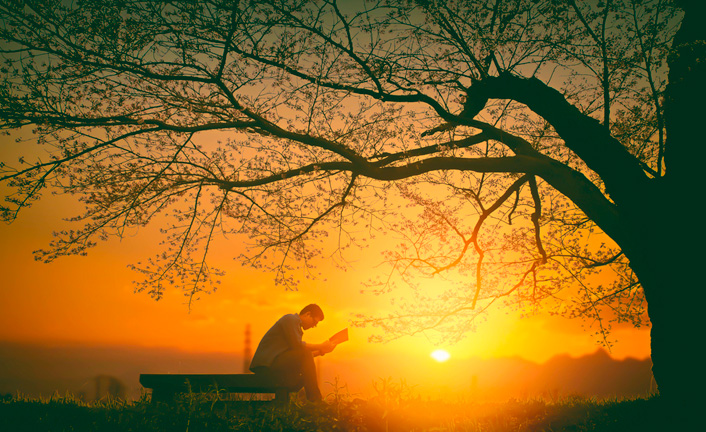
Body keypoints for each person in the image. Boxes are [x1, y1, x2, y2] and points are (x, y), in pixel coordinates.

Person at [249, 304, 336, 401]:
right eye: (314, 322)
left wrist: (320, 351)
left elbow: (302, 357)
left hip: (274, 363)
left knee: (304, 368)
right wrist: (321, 345)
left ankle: (311, 401)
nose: (313, 326)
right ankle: (315, 400)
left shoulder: (296, 327)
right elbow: (298, 346)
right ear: (308, 314)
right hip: (266, 365)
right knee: (305, 356)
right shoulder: (290, 319)